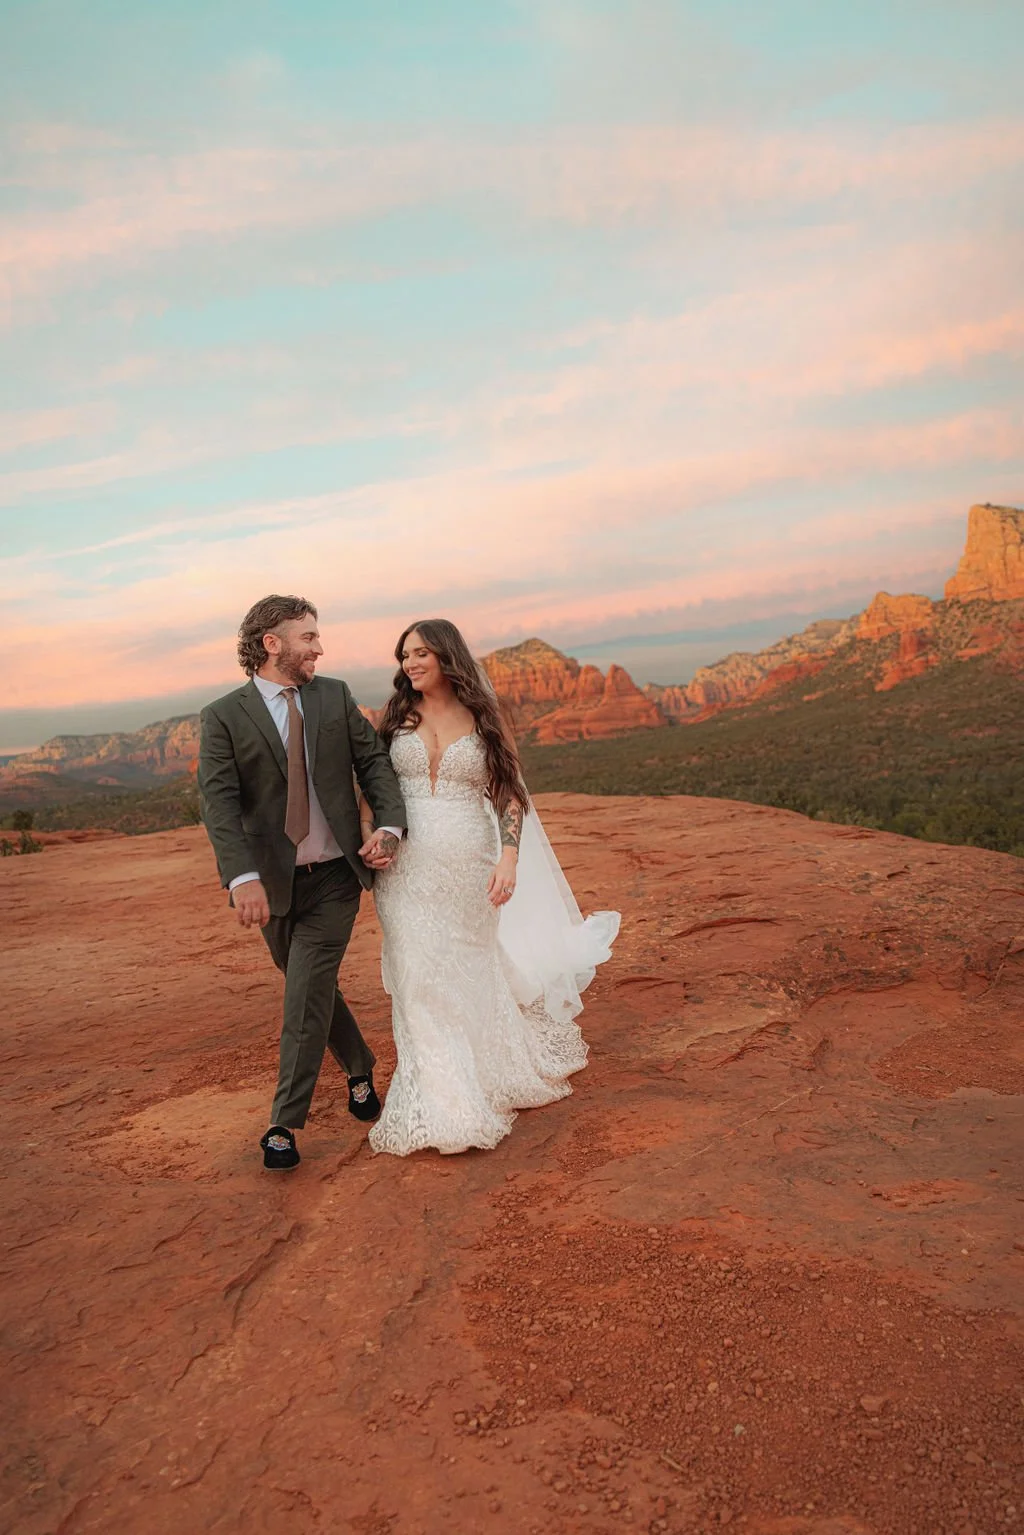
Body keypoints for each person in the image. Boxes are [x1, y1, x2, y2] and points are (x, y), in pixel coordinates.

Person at [363, 618, 619, 1157]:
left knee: (468, 969)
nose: (409, 664)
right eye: (404, 655)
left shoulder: (483, 716)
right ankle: (444, 1101)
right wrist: (377, 835)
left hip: (469, 866)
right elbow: (375, 784)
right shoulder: (395, 717)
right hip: (406, 870)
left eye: (421, 654)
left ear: (446, 657)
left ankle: (487, 1069)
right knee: (415, 975)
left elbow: (507, 793)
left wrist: (508, 857)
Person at [198, 595, 407, 1171]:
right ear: (273, 644)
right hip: (272, 887)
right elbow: (218, 803)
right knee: (311, 989)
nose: (319, 646)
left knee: (302, 995)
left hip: (336, 875)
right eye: (309, 636)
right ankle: (359, 1067)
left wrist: (389, 825)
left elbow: (373, 765)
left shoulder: (333, 695)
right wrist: (242, 877)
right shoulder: (222, 716)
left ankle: (283, 1127)